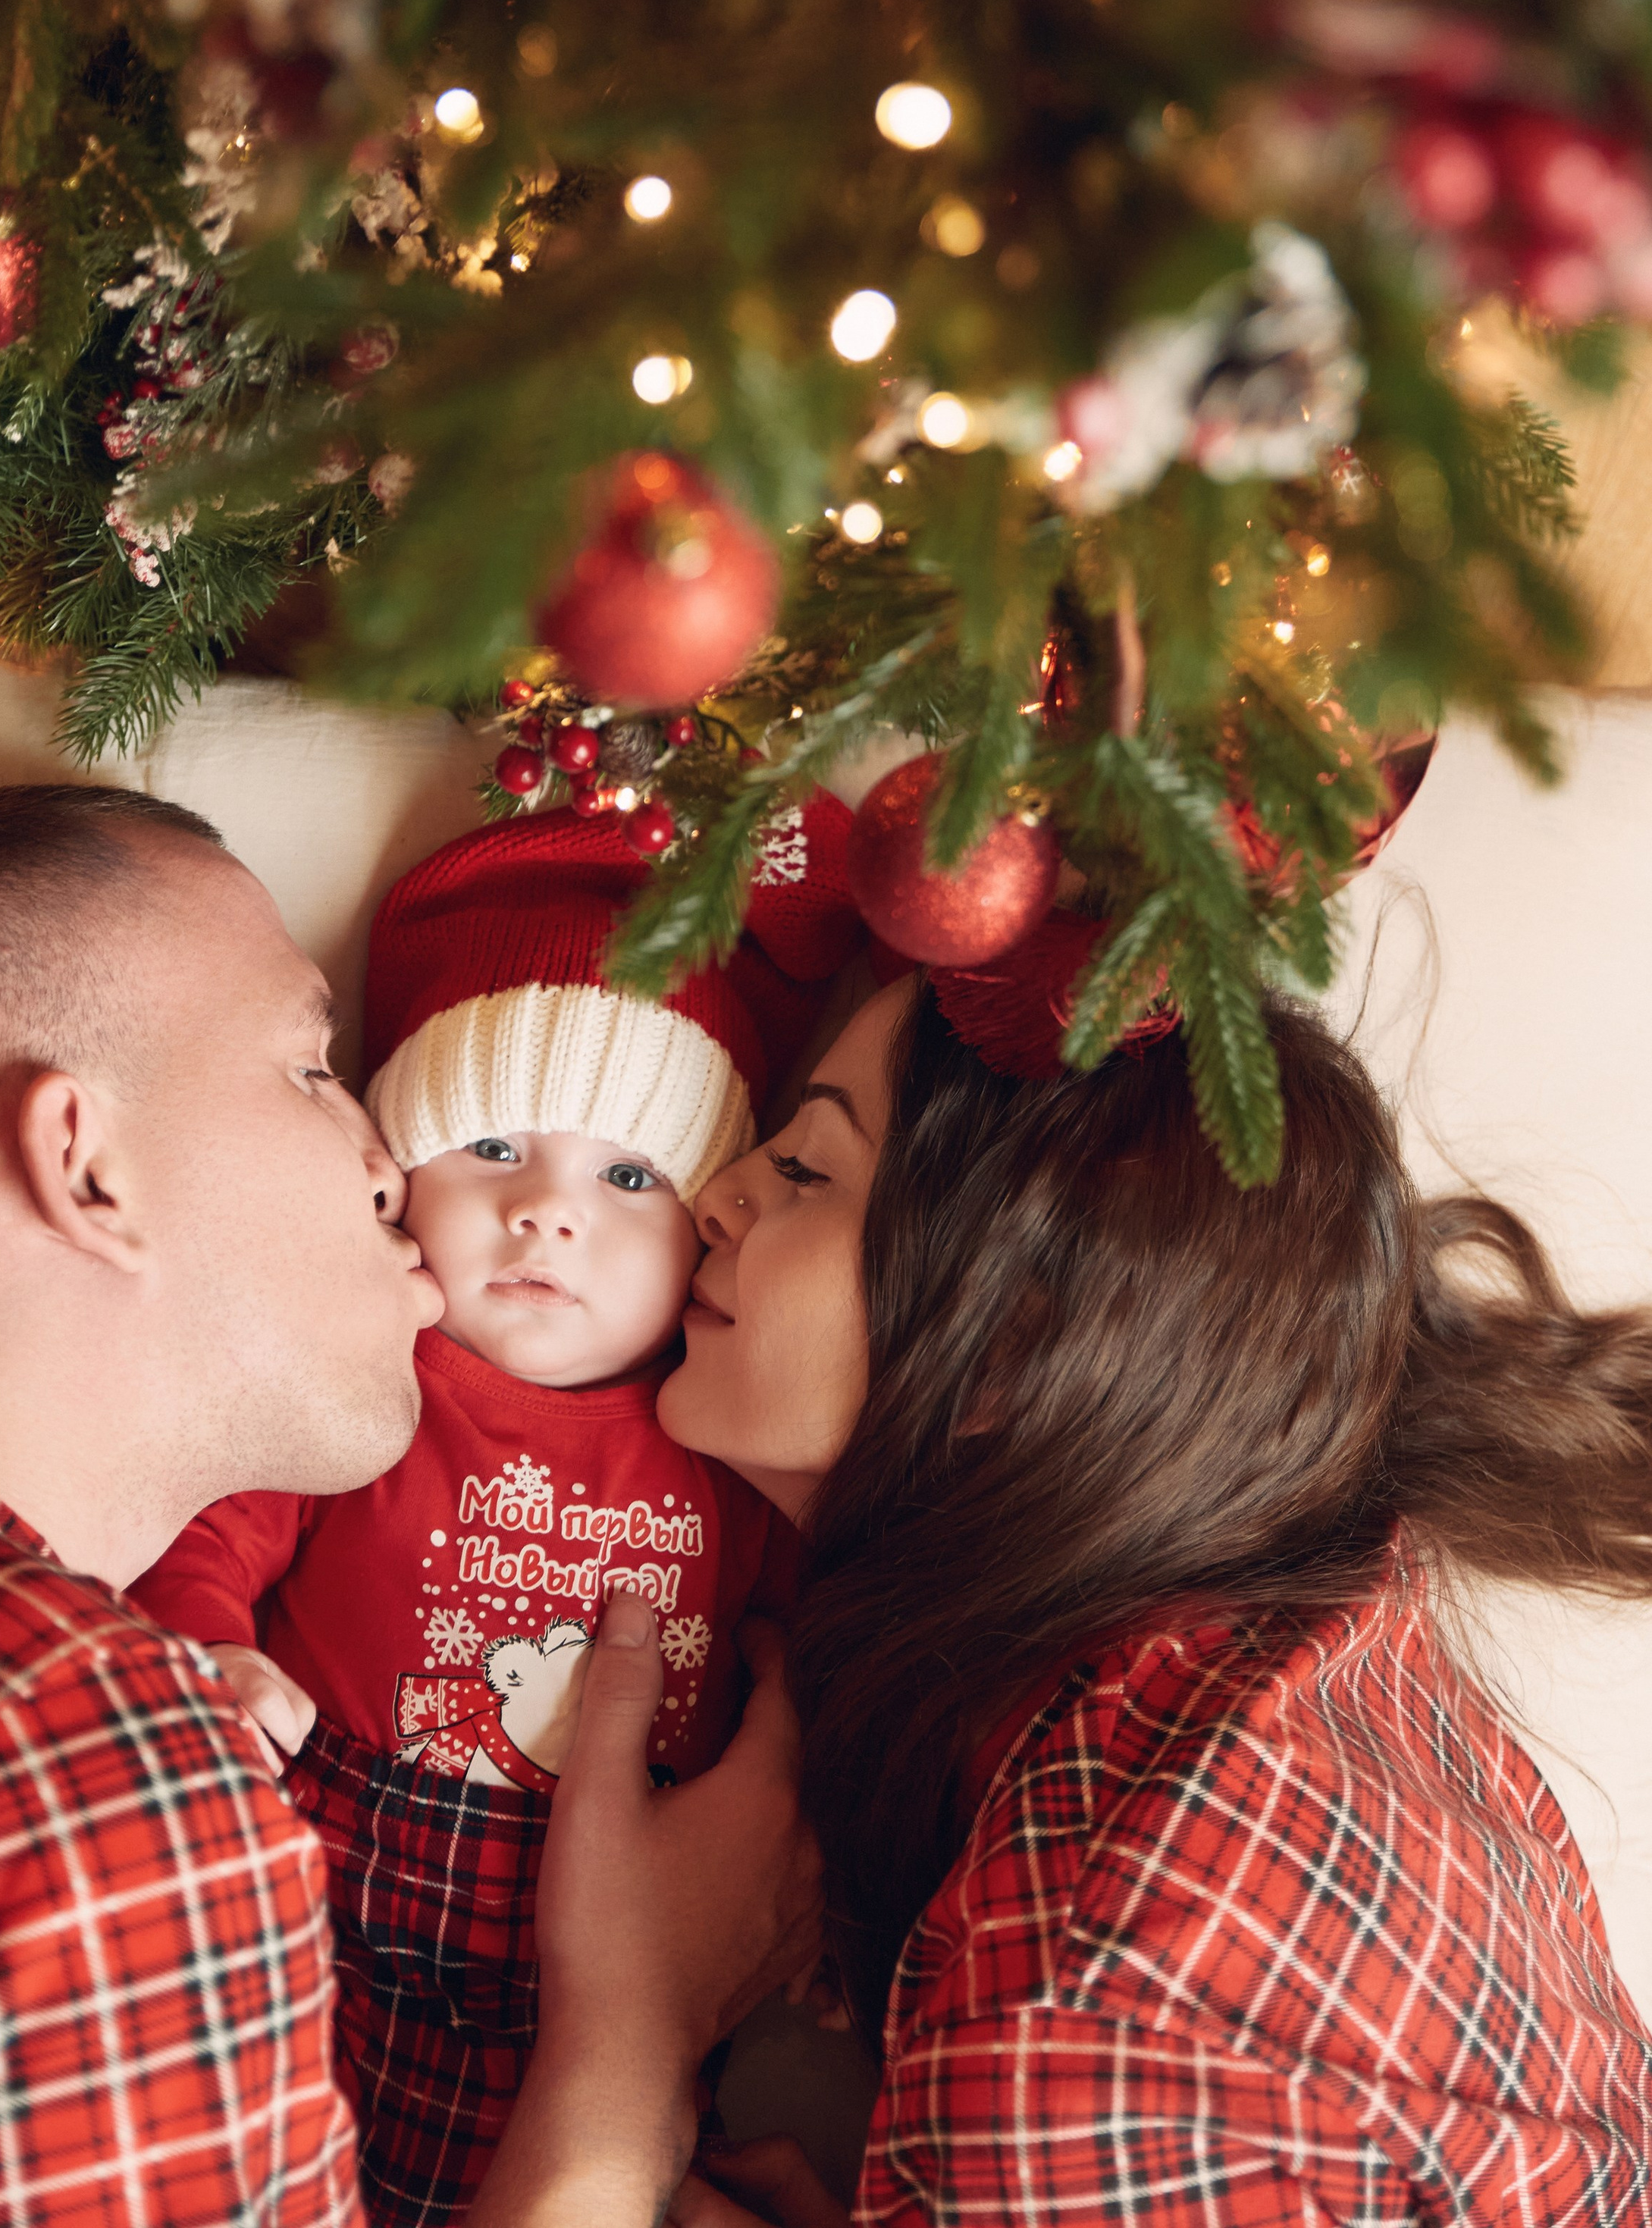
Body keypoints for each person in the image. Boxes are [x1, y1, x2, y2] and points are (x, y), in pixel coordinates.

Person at [0, 784, 819, 2228]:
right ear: (87, 1166)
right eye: (313, 1069)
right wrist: (635, 2055)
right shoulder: (70, 1798)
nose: (385, 1166)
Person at [654, 927, 1652, 2226]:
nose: (716, 1194)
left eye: (804, 1167)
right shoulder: (1316, 1616)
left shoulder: (1093, 2003)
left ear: (1015, 1348)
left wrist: (626, 2032)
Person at [134, 804, 850, 2226]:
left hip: (607, 1935)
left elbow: (801, 1661)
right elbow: (213, 1527)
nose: (547, 1212)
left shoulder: (720, 1430)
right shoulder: (371, 1375)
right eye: (493, 1149)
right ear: (396, 1178)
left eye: (629, 1176)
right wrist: (204, 1654)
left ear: (708, 1215)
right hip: (340, 1886)